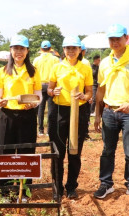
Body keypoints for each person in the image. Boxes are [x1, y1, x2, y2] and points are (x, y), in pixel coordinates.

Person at [94, 24, 129, 199]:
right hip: (109, 112)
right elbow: (101, 91)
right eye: (112, 39)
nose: (115, 42)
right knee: (107, 150)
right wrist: (97, 114)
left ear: (126, 38)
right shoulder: (105, 63)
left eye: (118, 38)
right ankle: (106, 184)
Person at [0, 35, 42, 202]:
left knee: (26, 153)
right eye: (15, 48)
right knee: (4, 153)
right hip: (7, 116)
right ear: (11, 51)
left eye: (22, 48)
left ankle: (24, 192)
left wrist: (34, 104)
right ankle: (5, 192)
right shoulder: (2, 72)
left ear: (27, 51)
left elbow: (39, 96)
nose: (19, 52)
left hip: (27, 116)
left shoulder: (34, 71)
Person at [47, 36, 93, 199]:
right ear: (63, 50)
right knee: (57, 152)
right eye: (68, 48)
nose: (71, 51)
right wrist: (53, 92)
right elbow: (49, 89)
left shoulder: (85, 68)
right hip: (59, 112)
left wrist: (84, 96)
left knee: (75, 152)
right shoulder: (57, 67)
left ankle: (71, 186)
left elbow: (89, 93)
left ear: (80, 50)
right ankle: (57, 187)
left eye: (74, 48)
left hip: (78, 113)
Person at [33, 40, 60, 135]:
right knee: (51, 108)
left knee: (41, 108)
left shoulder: (36, 60)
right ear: (50, 48)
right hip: (50, 85)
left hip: (39, 85)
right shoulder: (55, 59)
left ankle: (40, 130)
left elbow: (33, 74)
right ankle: (49, 130)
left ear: (41, 49)